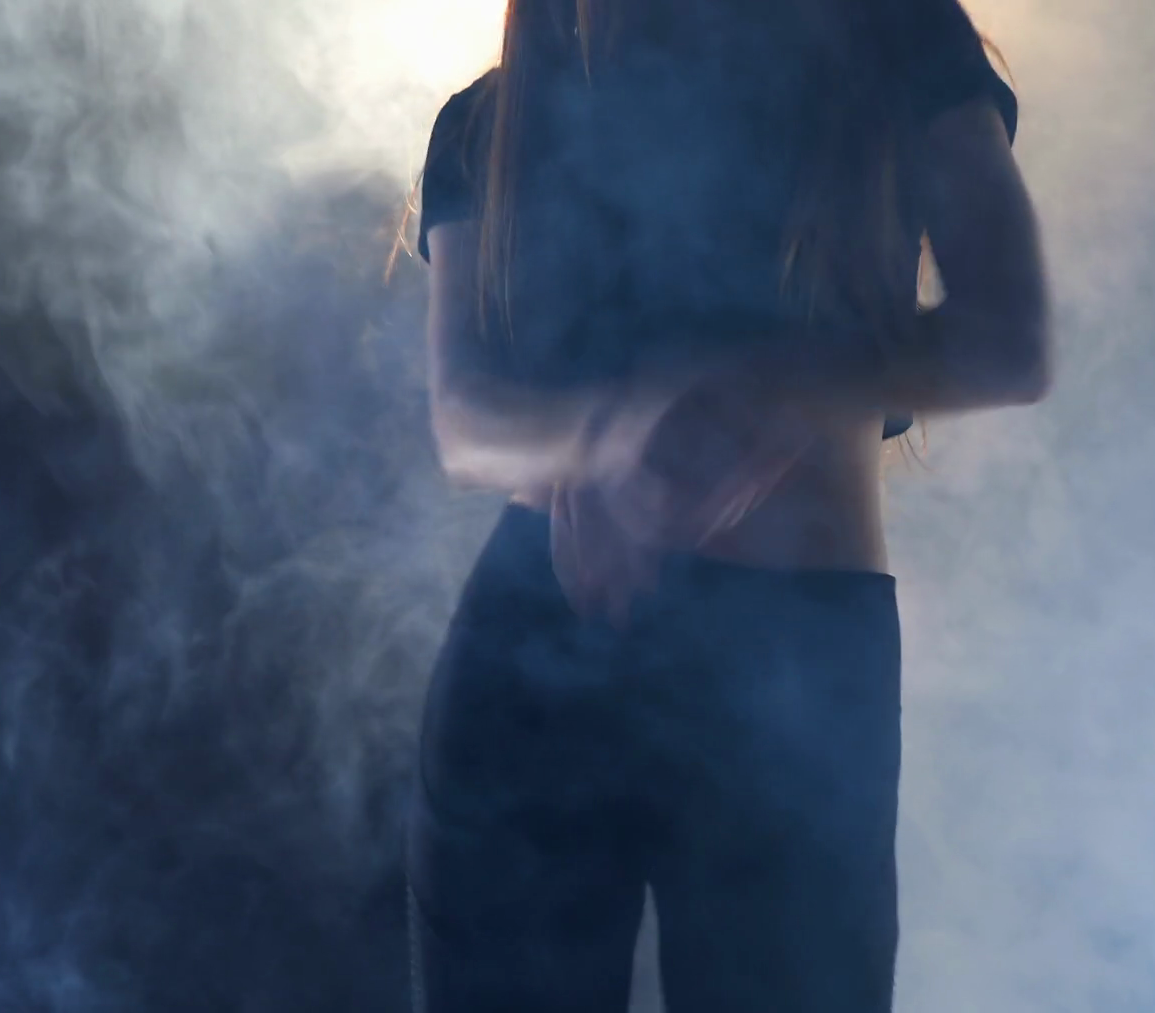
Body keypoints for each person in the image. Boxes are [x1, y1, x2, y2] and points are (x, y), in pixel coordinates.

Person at [405, 0, 1050, 1009]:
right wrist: (612, 437)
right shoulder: (499, 110)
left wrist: (748, 394)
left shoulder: (894, 31)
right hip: (538, 646)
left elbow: (1010, 337)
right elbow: (466, 419)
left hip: (789, 665)